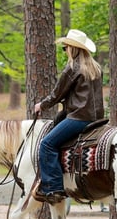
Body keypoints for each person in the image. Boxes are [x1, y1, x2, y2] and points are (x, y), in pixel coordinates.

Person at [32, 29, 105, 204]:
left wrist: (42, 105)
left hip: (79, 117)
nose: (65, 51)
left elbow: (57, 94)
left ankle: (54, 188)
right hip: (96, 118)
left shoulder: (72, 68)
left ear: (73, 48)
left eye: (65, 48)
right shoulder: (96, 68)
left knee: (47, 144)